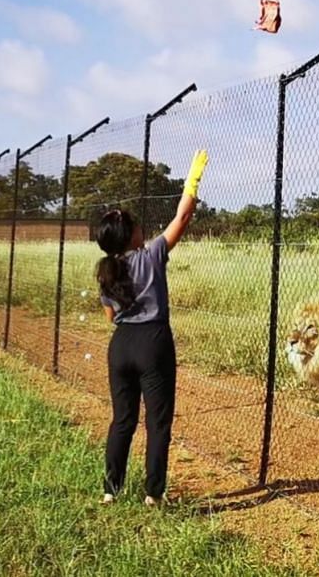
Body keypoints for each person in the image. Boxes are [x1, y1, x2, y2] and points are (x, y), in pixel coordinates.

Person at [95, 149, 208, 506]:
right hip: (153, 342)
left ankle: (111, 490)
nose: (142, 227)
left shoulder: (106, 272)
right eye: (136, 224)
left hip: (121, 345)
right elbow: (183, 216)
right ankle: (153, 494)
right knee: (157, 423)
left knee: (122, 421)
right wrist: (192, 181)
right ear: (130, 235)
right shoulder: (153, 254)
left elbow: (110, 318)